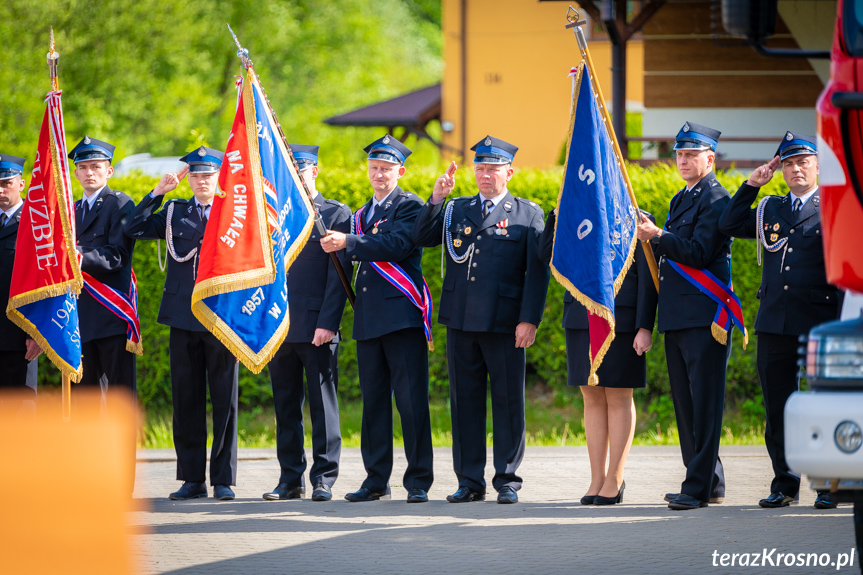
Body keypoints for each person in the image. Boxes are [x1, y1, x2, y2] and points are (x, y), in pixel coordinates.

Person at [412, 136, 549, 504]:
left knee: (507, 403)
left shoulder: (527, 213)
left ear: (510, 171)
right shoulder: (457, 209)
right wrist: (437, 199)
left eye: (493, 168)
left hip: (505, 324)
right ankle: (469, 481)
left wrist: (529, 320)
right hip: (461, 321)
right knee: (464, 403)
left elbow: (537, 274)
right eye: (480, 167)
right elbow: (422, 237)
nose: (485, 174)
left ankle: (506, 479)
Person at [719, 132, 842, 510]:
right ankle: (784, 484)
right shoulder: (769, 208)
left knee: (822, 408)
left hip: (819, 322)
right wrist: (752, 184)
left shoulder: (834, 205)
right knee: (778, 408)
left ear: (817, 166)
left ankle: (827, 485)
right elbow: (728, 224)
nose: (795, 169)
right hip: (774, 322)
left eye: (802, 161)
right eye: (788, 163)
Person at [320, 136, 434, 504]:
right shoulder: (361, 214)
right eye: (374, 168)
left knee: (411, 402)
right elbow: (345, 275)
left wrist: (349, 242)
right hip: (369, 321)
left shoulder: (410, 206)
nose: (379, 174)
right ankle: (375, 479)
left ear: (400, 171)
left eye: (386, 168)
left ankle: (418, 481)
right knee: (374, 405)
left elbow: (397, 245)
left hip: (401, 318)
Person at [125, 146, 239, 501]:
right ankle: (192, 478)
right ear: (188, 178)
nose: (202, 180)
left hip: (221, 317)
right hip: (182, 316)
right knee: (186, 399)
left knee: (225, 401)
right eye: (196, 175)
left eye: (208, 174)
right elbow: (135, 227)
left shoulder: (234, 213)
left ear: (219, 177)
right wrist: (157, 194)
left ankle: (222, 479)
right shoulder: (175, 210)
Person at [636, 122, 733, 510]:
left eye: (692, 154)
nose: (683, 161)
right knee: (686, 405)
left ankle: (696, 488)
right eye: (679, 154)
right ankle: (709, 481)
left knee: (704, 404)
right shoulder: (681, 199)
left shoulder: (717, 200)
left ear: (710, 158)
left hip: (704, 316)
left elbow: (697, 252)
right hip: (677, 316)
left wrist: (658, 235)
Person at [539, 209, 657, 505]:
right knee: (591, 396)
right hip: (581, 315)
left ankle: (615, 478)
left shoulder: (635, 213)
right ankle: (597, 478)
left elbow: (648, 277)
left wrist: (645, 326)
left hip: (622, 319)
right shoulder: (574, 209)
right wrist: (558, 213)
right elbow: (546, 254)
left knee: (618, 395)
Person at [262, 145, 351, 502]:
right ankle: (290, 479)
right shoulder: (270, 215)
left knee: (322, 407)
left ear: (315, 170)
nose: (297, 174)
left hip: (317, 327)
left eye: (303, 168)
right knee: (285, 407)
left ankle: (324, 478)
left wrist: (328, 323)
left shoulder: (334, 213)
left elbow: (338, 276)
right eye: (291, 169)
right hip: (279, 325)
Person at [70, 137, 137, 404]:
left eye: (96, 166)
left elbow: (117, 256)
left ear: (109, 171)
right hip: (78, 317)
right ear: (75, 173)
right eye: (83, 167)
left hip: (111, 314)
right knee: (83, 402)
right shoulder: (71, 211)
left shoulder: (119, 203)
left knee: (120, 399)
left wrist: (78, 256)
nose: (89, 173)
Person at [0, 154, 42, 392]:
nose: (0, 189)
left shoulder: (36, 221)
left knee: (19, 412)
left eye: (6, 183)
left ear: (21, 184)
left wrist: (36, 333)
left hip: (20, 336)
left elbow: (43, 280)